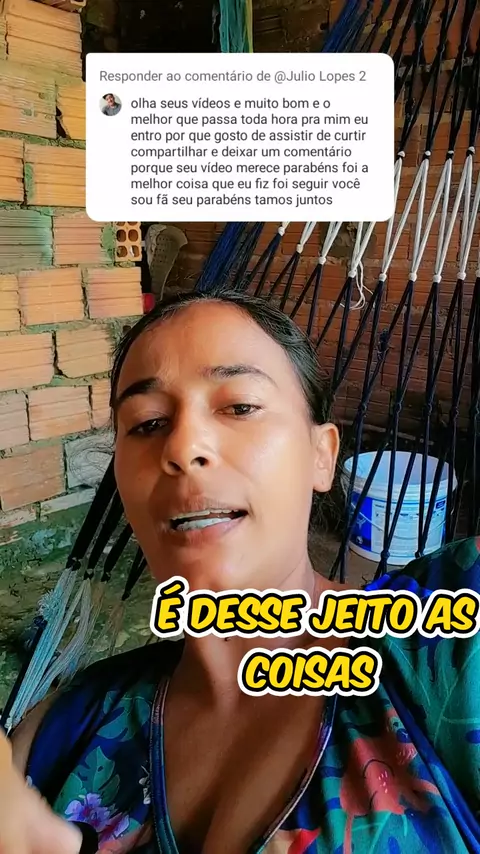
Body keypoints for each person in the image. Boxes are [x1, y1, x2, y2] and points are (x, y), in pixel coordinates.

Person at [1, 289, 480, 854]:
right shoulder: (64, 730)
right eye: (148, 423)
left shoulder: (448, 646)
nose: (183, 447)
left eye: (239, 407)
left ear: (322, 455)